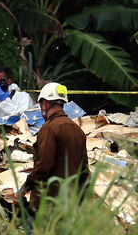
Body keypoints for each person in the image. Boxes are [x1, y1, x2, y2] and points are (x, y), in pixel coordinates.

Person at [19, 82, 89, 212]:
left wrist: (24, 189)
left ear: (45, 104)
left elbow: (44, 166)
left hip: (50, 203)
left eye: (41, 105)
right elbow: (84, 170)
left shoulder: (49, 128)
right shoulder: (77, 130)